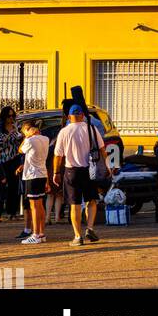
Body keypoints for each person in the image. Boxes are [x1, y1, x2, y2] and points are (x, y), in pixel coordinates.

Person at [51, 104, 107, 246]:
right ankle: (90, 228)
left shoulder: (64, 132)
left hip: (71, 171)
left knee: (75, 205)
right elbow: (102, 150)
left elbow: (58, 155)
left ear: (69, 117)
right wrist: (107, 166)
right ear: (82, 115)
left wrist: (56, 172)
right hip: (89, 170)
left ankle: (77, 236)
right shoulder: (92, 129)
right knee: (92, 201)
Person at [17, 118, 50, 244]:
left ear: (28, 129)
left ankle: (35, 234)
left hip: (32, 175)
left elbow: (20, 150)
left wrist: (27, 137)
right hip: (42, 174)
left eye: (24, 132)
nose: (24, 135)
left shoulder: (29, 140)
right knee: (40, 205)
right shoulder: (45, 139)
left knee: (34, 206)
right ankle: (41, 233)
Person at [0, 106, 21, 218]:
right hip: (1, 160)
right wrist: (9, 134)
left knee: (14, 187)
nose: (11, 118)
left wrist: (19, 135)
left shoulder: (17, 126)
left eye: (12, 115)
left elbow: (21, 141)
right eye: (8, 116)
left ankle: (12, 212)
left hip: (14, 159)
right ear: (4, 117)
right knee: (0, 187)